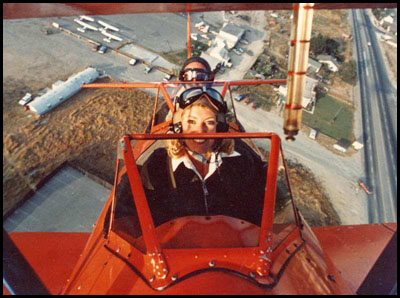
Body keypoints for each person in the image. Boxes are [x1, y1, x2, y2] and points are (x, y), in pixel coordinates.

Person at [114, 84, 267, 230]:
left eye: (209, 122)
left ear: (220, 128)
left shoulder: (242, 163)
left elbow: (260, 212)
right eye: (191, 122)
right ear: (179, 126)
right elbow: (124, 216)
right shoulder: (155, 165)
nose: (200, 131)